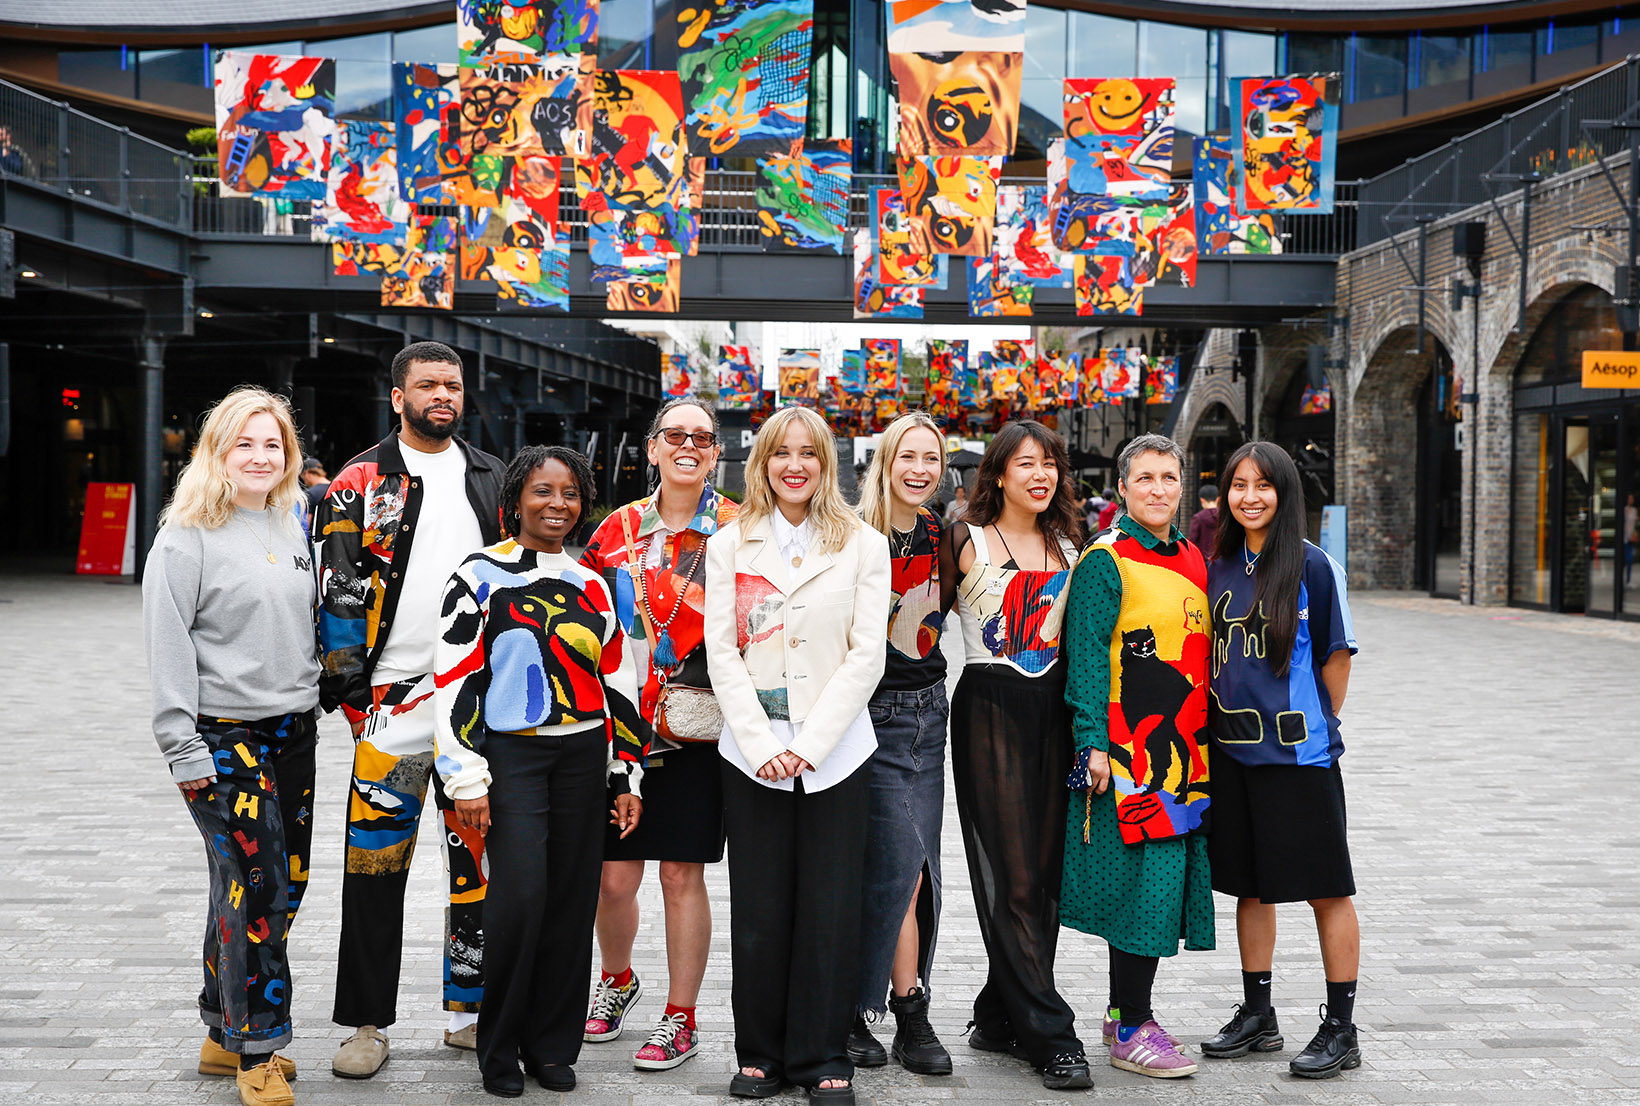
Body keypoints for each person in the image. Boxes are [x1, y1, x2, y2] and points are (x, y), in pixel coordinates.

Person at [434, 445, 649, 1098]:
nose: (558, 504)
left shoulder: (594, 583)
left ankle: (553, 1048)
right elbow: (454, 680)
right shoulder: (476, 576)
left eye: (571, 493)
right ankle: (497, 1049)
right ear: (515, 500)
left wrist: (625, 773)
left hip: (585, 758)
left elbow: (620, 678)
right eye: (543, 491)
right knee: (519, 899)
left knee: (569, 904)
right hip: (511, 758)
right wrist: (465, 777)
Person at [314, 341, 503, 1077]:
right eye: (427, 384)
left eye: (452, 384)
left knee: (479, 868)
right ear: (399, 397)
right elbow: (336, 589)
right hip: (390, 709)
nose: (442, 395)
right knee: (373, 868)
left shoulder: (490, 476)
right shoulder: (360, 480)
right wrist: (353, 697)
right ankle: (366, 1024)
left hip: (474, 712)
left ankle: (468, 1011)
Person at [703, 404, 890, 1106]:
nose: (794, 465)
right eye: (781, 453)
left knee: (830, 907)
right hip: (750, 753)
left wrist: (808, 746)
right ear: (761, 463)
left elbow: (865, 656)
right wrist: (761, 744)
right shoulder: (729, 544)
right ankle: (760, 1054)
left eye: (809, 453)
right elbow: (721, 651)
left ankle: (820, 1055)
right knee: (758, 910)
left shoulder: (863, 545)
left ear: (826, 464)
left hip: (835, 754)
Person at [142, 387, 319, 1106]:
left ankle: (223, 1031)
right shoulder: (185, 537)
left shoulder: (293, 521)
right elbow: (166, 645)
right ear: (216, 451)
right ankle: (258, 1052)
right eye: (244, 443)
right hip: (222, 737)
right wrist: (181, 746)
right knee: (260, 891)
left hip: (293, 732)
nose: (259, 456)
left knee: (274, 887)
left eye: (272, 444)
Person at [577, 399, 737, 1070]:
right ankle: (616, 980)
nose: (689, 445)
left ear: (715, 452)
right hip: (621, 728)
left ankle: (681, 1016)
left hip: (699, 729)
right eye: (676, 435)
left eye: (702, 437)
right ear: (651, 448)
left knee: (680, 873)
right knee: (613, 879)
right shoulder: (615, 531)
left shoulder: (738, 527)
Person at [1199, 441, 1361, 1079]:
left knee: (1328, 890)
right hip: (1231, 755)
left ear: (1284, 492)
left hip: (1299, 757)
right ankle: (1259, 1014)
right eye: (1239, 485)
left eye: (1263, 485)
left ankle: (1342, 1027)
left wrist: (1317, 727)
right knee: (1251, 887)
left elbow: (1336, 660)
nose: (1250, 497)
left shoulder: (1315, 568)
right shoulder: (1218, 567)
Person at [941, 419, 1091, 1090]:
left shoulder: (1069, 544)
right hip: (989, 712)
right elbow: (912, 630)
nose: (1040, 474)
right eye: (1025, 463)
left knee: (1046, 878)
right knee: (1013, 876)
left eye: (1050, 464)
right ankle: (1050, 1036)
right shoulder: (964, 539)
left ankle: (999, 1013)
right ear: (998, 473)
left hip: (1053, 714)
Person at [1060, 432, 1214, 1080]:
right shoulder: (1106, 560)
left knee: (1161, 884)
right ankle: (1131, 1026)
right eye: (1144, 478)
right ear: (1122, 488)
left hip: (1188, 757)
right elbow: (1087, 659)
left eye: (1168, 478)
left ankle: (1128, 1009)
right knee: (1141, 890)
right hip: (1127, 760)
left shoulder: (1193, 557)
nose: (1157, 489)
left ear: (1182, 485)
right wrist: (1090, 745)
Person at [847, 412, 957, 1075]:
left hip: (929, 713)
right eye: (906, 457)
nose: (919, 469)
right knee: (894, 866)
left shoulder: (946, 535)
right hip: (868, 715)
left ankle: (901, 1007)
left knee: (919, 870)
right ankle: (879, 1006)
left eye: (930, 458)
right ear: (884, 462)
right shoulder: (855, 536)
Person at [1188, 482, 1219, 555]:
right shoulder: (1224, 517)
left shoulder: (1198, 517)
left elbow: (1192, 541)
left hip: (1203, 559)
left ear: (1202, 500)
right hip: (1221, 559)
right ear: (1217, 499)